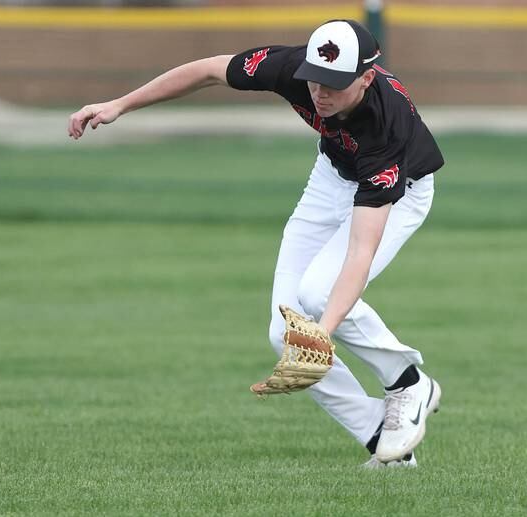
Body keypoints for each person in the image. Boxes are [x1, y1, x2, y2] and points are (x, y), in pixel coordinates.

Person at [68, 19, 444, 468]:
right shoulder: (292, 68)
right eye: (315, 80)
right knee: (286, 335)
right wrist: (120, 105)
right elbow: (208, 70)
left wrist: (323, 332)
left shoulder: (388, 128)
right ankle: (386, 445)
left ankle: (406, 382)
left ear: (366, 78)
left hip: (400, 192)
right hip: (332, 177)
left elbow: (360, 254)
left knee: (318, 296)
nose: (320, 92)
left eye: (335, 84)